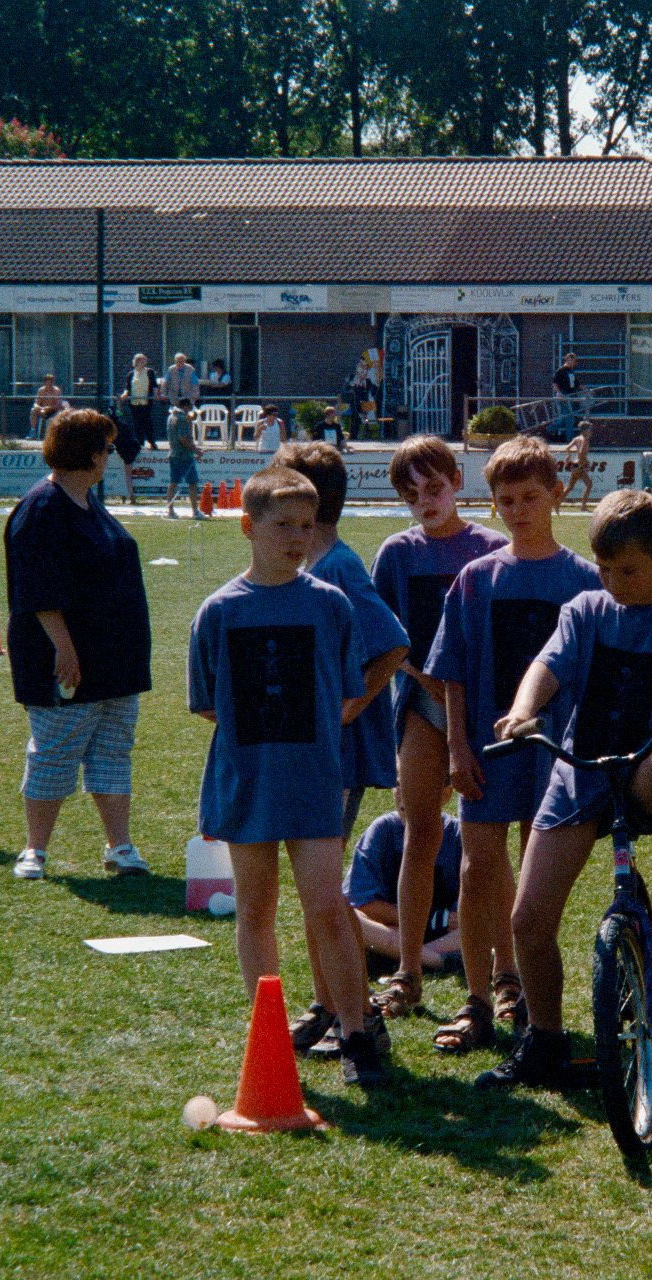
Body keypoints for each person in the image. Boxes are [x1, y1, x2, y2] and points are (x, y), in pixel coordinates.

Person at [477, 489, 652, 1091]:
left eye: (627, 570)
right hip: (581, 772)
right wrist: (524, 710)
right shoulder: (585, 610)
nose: (613, 582)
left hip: (649, 774)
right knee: (528, 919)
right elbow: (547, 665)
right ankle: (544, 1041)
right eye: (603, 569)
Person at [187, 465, 386, 1088]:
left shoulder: (330, 604)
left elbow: (349, 694)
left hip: (314, 782)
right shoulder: (218, 611)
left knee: (327, 906)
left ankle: (356, 1031)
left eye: (307, 525)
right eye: (283, 526)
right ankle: (266, 1032)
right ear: (248, 527)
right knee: (256, 909)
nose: (298, 537)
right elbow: (209, 704)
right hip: (247, 782)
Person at [424, 437, 601, 1055]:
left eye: (530, 497)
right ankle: (477, 1000)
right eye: (507, 500)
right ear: (492, 503)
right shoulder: (477, 578)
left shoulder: (584, 580)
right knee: (477, 870)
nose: (519, 510)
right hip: (487, 751)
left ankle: (526, 996)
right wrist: (456, 748)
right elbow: (451, 670)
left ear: (556, 494)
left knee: (533, 884)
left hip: (556, 753)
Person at [271, 440, 409, 1059]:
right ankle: (329, 1004)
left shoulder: (341, 568)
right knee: (315, 891)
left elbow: (393, 644)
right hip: (308, 751)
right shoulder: (308, 564)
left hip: (337, 755)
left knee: (324, 892)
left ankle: (355, 1014)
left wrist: (350, 707)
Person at [369, 436, 509, 1018]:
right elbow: (379, 632)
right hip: (422, 706)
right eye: (411, 496)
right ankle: (407, 971)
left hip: (486, 708)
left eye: (433, 488)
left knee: (489, 844)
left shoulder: (492, 547)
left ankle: (505, 972)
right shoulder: (396, 554)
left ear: (456, 480)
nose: (425, 502)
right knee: (420, 833)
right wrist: (420, 675)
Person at [4, 410, 153, 882]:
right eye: (107, 448)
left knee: (112, 751)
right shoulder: (42, 509)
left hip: (113, 662)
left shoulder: (87, 501)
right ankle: (35, 849)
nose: (110, 456)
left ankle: (120, 845)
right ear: (90, 454)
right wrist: (64, 650)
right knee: (54, 752)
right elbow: (38, 590)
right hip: (69, 659)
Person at [344, 801, 464, 974]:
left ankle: (393, 956)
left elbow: (464, 916)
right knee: (347, 915)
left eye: (412, 787)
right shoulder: (383, 829)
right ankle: (437, 961)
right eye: (397, 787)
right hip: (389, 927)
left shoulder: (456, 833)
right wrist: (439, 919)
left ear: (445, 795)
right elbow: (363, 902)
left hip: (439, 936)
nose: (403, 794)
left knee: (479, 925)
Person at [164, 397, 204, 519]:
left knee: (173, 483)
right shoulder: (182, 418)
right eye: (190, 407)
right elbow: (182, 438)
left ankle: (170, 511)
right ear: (186, 406)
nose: (191, 410)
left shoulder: (171, 417)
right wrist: (195, 450)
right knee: (192, 483)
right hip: (184, 456)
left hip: (173, 454)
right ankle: (195, 511)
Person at [123, 353, 158, 455]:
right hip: (134, 403)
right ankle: (139, 443)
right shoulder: (131, 374)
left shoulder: (149, 372)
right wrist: (124, 395)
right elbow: (127, 388)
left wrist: (156, 394)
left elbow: (154, 385)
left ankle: (151, 441)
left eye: (144, 360)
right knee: (137, 423)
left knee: (147, 422)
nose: (143, 362)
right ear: (136, 362)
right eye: (141, 360)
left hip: (145, 402)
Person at [562, 421, 595, 509]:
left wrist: (569, 456)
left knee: (569, 487)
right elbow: (581, 453)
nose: (590, 431)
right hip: (580, 466)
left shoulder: (577, 438)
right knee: (589, 485)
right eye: (589, 429)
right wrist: (586, 461)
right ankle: (583, 506)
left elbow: (567, 448)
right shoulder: (585, 440)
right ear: (585, 430)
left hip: (575, 465)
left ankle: (556, 502)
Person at [28, 374, 67, 440]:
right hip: (43, 410)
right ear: (45, 382)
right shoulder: (41, 390)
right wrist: (41, 408)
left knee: (59, 414)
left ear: (53, 382)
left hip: (54, 411)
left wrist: (50, 408)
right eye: (47, 382)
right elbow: (36, 403)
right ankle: (33, 432)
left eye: (51, 382)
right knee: (33, 410)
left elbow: (59, 405)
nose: (49, 384)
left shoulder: (57, 391)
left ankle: (54, 436)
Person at [551, 351, 581, 437]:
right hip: (564, 395)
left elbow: (577, 384)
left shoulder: (571, 371)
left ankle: (549, 429)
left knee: (567, 418)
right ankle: (569, 437)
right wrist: (559, 393)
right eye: (573, 360)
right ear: (568, 359)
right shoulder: (561, 370)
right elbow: (554, 383)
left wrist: (587, 390)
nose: (574, 363)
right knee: (569, 417)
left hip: (570, 395)